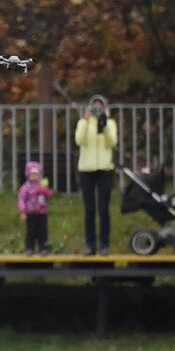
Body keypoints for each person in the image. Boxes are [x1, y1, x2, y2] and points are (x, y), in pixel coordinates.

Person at [74, 95, 117, 255]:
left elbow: (111, 143)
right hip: (87, 169)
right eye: (95, 107)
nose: (97, 110)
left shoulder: (110, 123)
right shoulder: (83, 123)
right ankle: (90, 245)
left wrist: (104, 126)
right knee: (90, 209)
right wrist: (85, 122)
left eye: (100, 107)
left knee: (104, 209)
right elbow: (79, 141)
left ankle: (105, 244)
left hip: (105, 169)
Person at [17, 160, 54, 256]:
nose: (34, 176)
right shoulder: (25, 187)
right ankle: (29, 248)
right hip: (30, 212)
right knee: (31, 231)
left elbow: (50, 195)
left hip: (42, 212)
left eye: (36, 174)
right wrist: (23, 211)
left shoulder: (42, 185)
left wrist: (45, 191)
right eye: (32, 174)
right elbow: (22, 199)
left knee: (43, 231)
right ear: (28, 175)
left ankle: (43, 248)